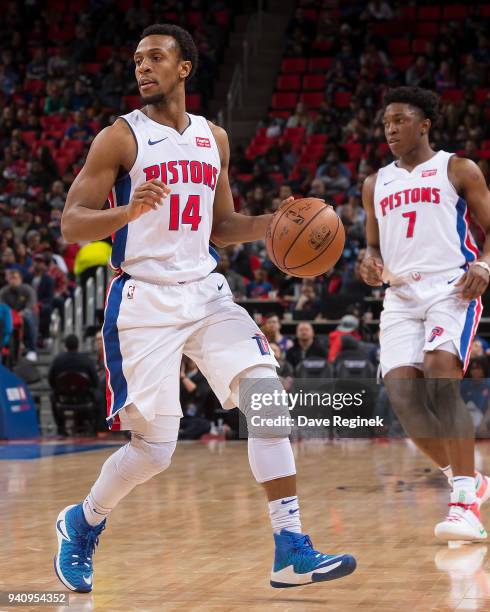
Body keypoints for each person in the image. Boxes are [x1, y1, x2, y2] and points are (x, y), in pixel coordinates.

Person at [54, 24, 356, 594]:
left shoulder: (213, 138)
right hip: (143, 300)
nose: (143, 68)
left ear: (184, 67)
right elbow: (72, 222)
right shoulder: (119, 138)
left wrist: (273, 224)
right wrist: (125, 214)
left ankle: (290, 548)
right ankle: (81, 522)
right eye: (137, 60)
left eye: (155, 58)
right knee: (154, 452)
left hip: (206, 291)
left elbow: (220, 225)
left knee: (266, 399)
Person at [360, 86, 490, 542]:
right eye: (386, 123)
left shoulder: (457, 168)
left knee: (439, 376)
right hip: (399, 298)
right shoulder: (376, 183)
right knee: (404, 400)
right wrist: (369, 262)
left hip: (449, 288)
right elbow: (373, 246)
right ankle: (471, 479)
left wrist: (484, 264)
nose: (391, 129)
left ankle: (463, 502)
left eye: (400, 120)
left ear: (426, 123)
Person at [48, 334, 99, 437]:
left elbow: (51, 380)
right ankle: (92, 427)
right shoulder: (86, 360)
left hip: (63, 399)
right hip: (83, 399)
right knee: (97, 395)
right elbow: (95, 381)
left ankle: (60, 428)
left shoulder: (58, 360)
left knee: (52, 395)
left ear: (65, 346)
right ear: (78, 345)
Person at [0, 268, 38, 362]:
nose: (13, 281)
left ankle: (32, 350)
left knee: (28, 317)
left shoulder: (27, 289)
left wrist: (22, 313)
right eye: (11, 278)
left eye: (15, 278)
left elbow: (31, 304)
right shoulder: (4, 291)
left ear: (20, 279)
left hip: (25, 314)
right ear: (8, 280)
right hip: (10, 316)